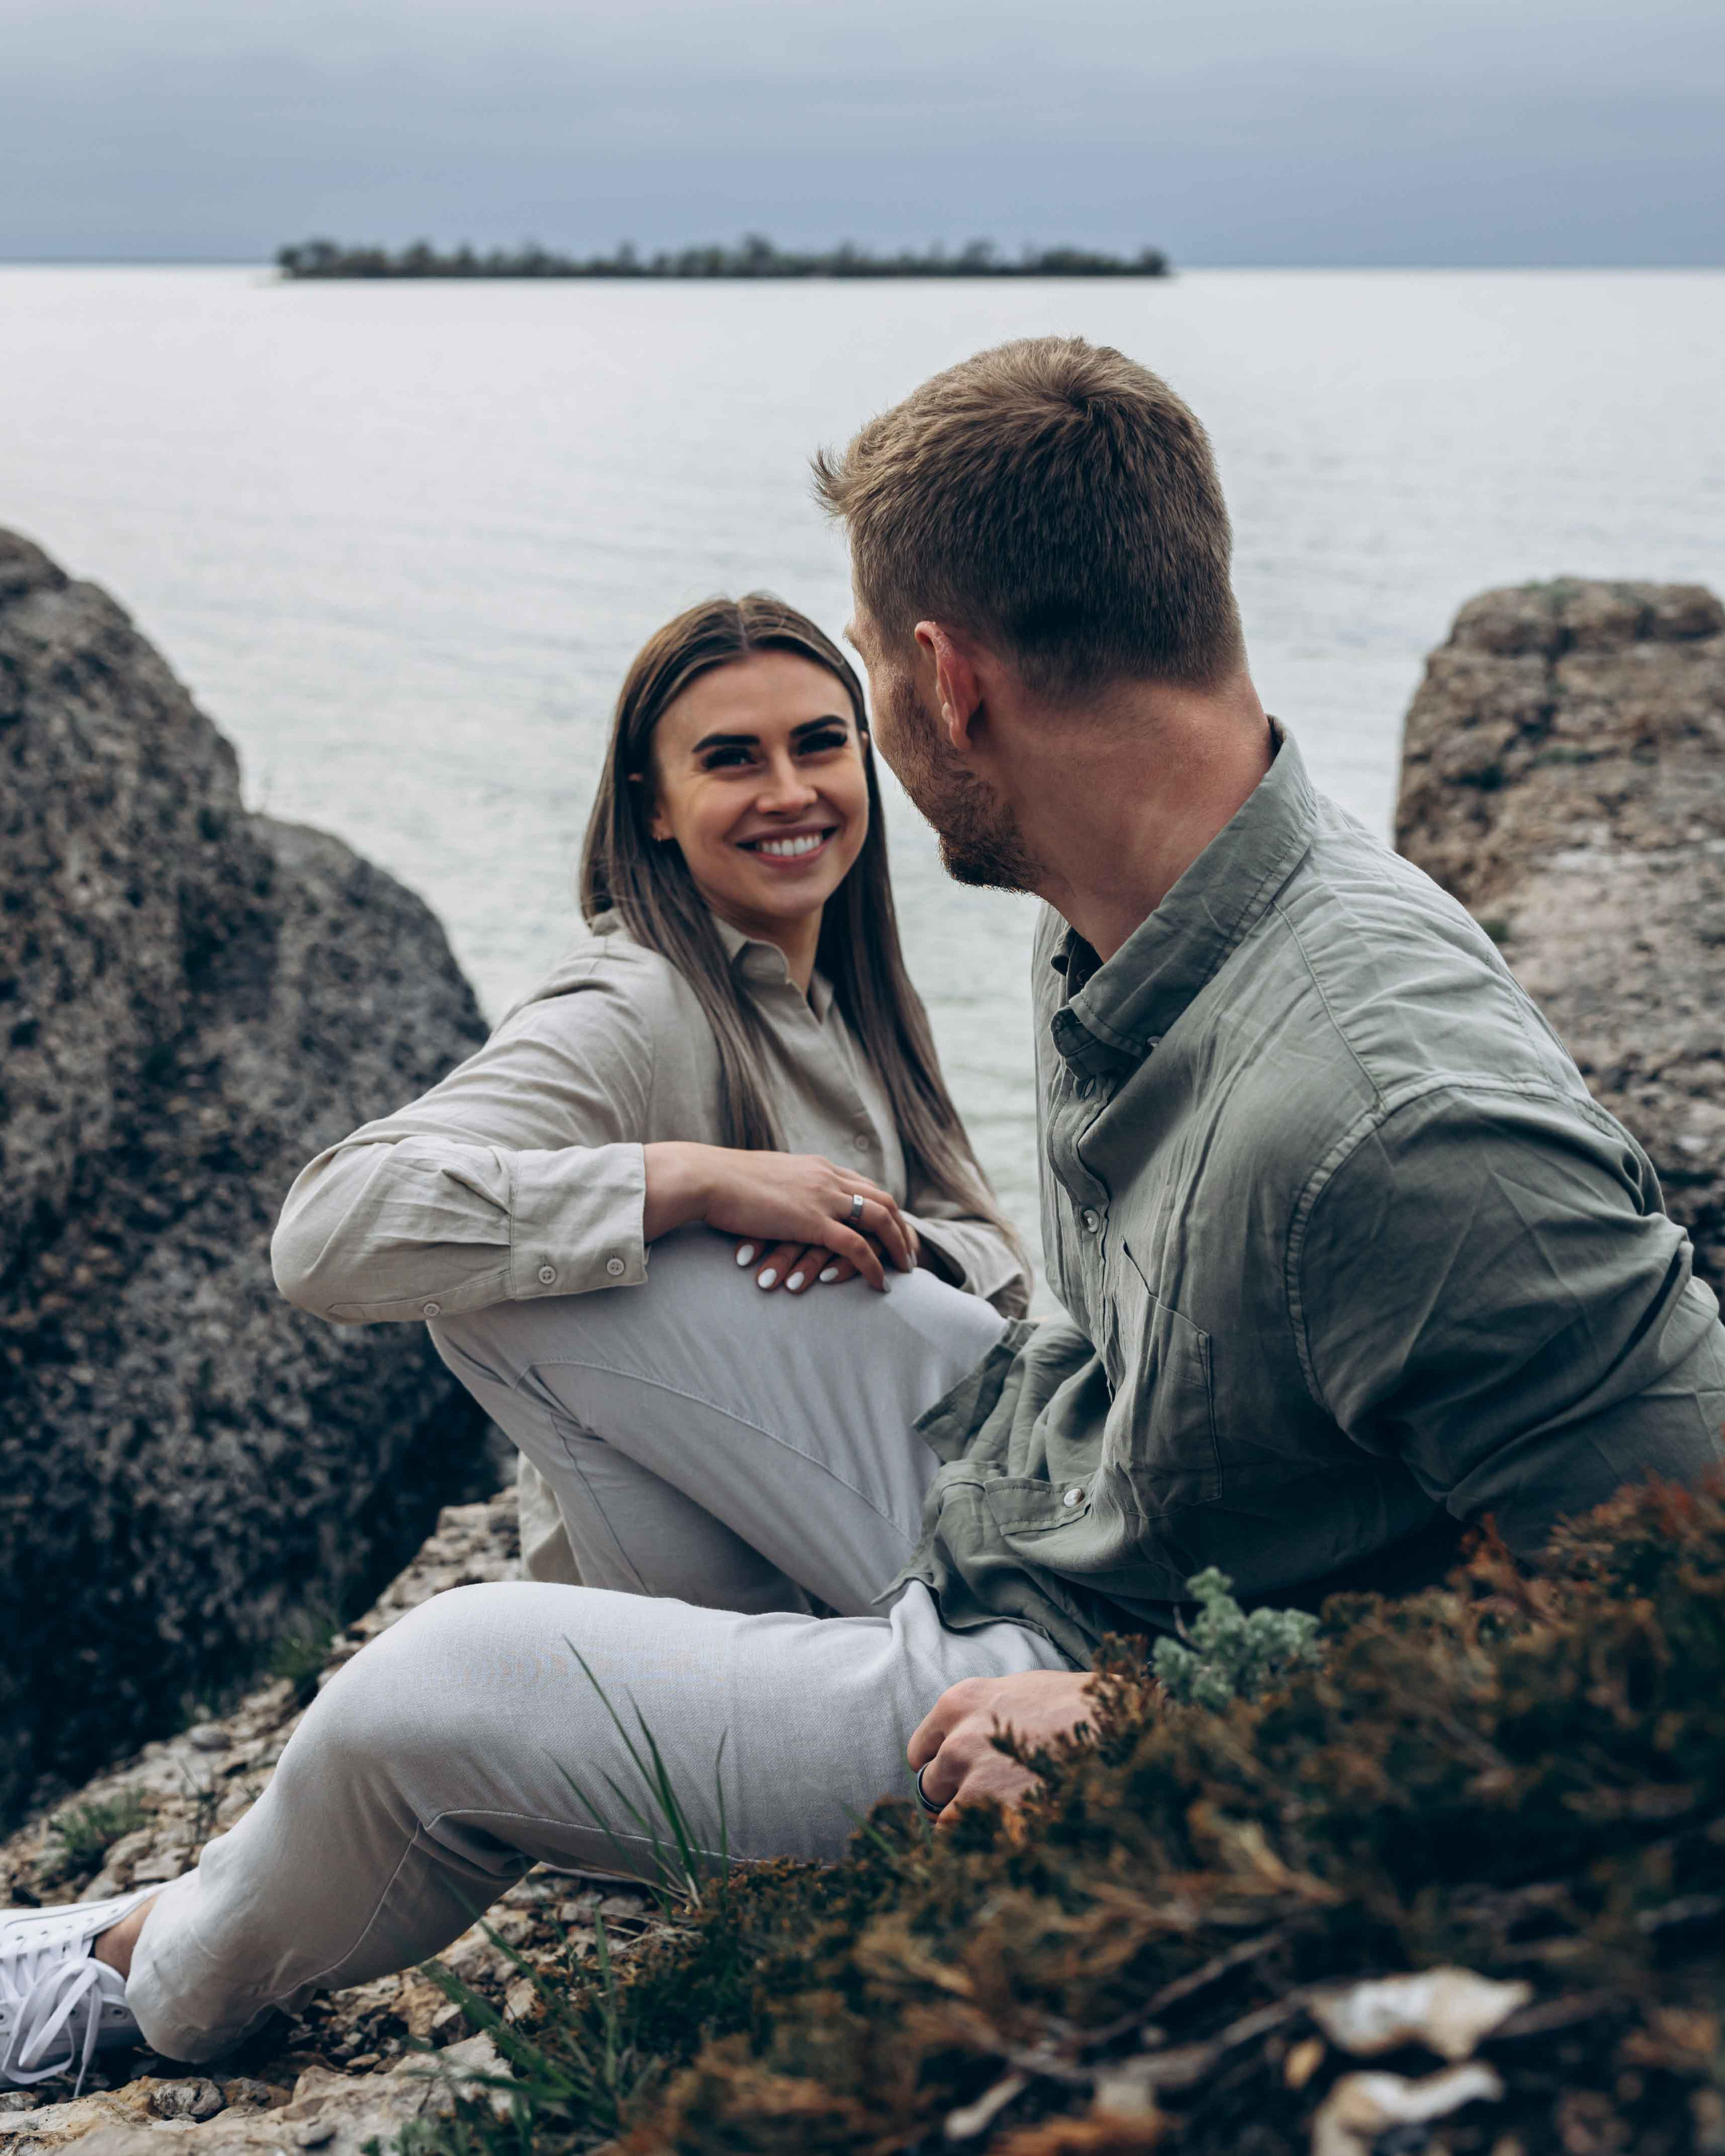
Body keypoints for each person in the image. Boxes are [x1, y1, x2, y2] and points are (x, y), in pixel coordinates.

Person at [7, 336, 1723, 2089]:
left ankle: (133, 1990)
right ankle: (688, 1697)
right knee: (583, 1262)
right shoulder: (1137, 913)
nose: (842, 774)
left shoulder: (1400, 1112)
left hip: (1076, 1665)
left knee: (429, 1690)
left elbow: (1679, 1603)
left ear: (943, 680)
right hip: (1049, 1486)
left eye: (855, 715)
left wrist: (1163, 1723)